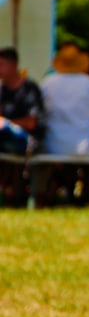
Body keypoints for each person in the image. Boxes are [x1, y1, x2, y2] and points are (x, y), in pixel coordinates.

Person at [36, 43, 89, 206]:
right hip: (86, 147)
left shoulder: (47, 83)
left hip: (53, 145)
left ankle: (39, 196)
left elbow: (39, 115)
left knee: (39, 155)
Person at [0, 46, 45, 205]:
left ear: (14, 66)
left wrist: (7, 123)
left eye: (1, 64)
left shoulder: (29, 89)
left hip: (28, 141)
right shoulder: (2, 90)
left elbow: (32, 123)